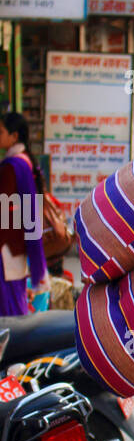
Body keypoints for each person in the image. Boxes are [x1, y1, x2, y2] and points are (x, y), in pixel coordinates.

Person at [0, 112, 50, 316]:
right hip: (15, 248)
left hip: (6, 249)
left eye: (1, 131)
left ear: (14, 136)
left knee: (9, 314)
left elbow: (7, 211)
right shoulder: (25, 163)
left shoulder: (13, 167)